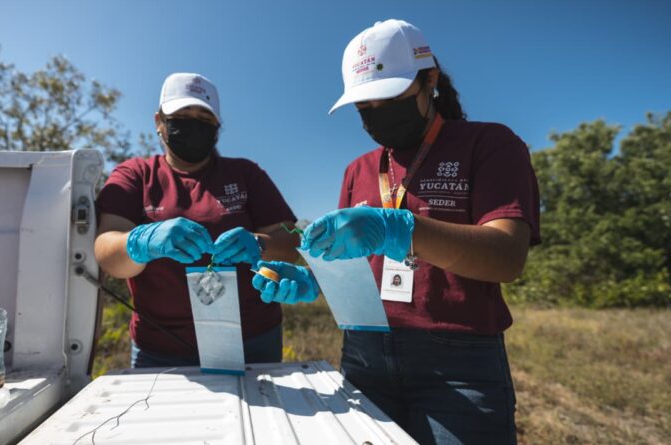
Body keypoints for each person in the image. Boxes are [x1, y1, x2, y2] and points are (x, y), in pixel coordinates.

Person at [252, 20, 540, 445]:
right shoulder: (359, 170)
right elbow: (354, 266)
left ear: (430, 81)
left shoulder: (489, 145)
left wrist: (401, 228)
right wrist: (314, 279)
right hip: (364, 355)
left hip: (458, 365)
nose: (375, 114)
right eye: (363, 106)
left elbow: (506, 257)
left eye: (388, 98)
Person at [95, 72, 299, 368]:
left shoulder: (246, 174)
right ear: (159, 122)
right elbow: (106, 252)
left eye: (203, 118)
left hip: (253, 340)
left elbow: (292, 240)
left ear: (217, 126)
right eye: (181, 115)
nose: (192, 124)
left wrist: (260, 243)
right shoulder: (136, 175)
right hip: (160, 347)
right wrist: (142, 242)